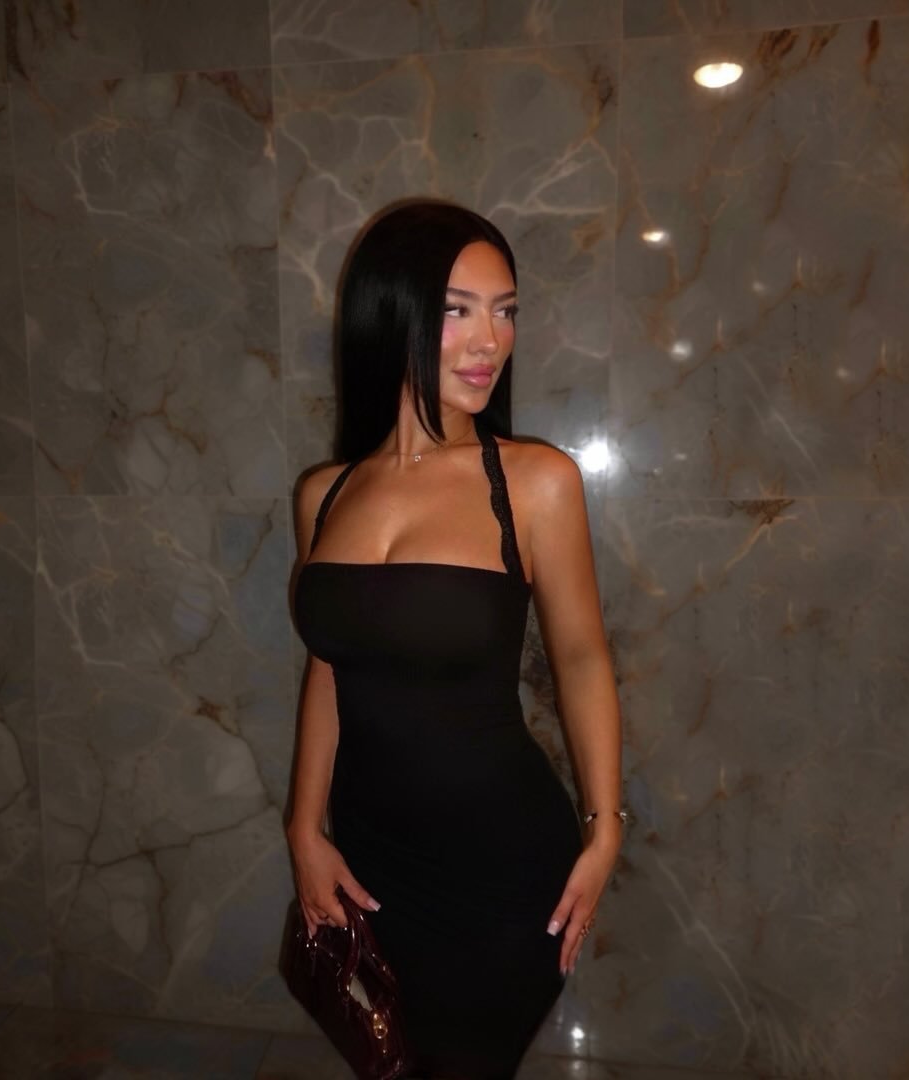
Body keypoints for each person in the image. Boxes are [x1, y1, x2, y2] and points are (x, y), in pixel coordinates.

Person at [287, 199, 623, 1079]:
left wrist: (605, 828)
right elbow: (329, 667)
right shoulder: (324, 493)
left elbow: (582, 658)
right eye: (457, 310)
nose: (490, 340)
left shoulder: (535, 482)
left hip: (502, 866)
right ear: (389, 313)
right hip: (371, 862)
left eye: (505, 311)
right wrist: (303, 827)